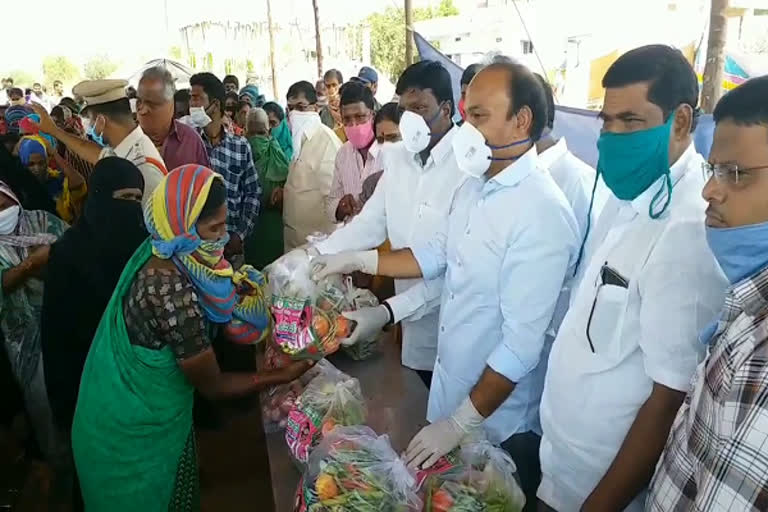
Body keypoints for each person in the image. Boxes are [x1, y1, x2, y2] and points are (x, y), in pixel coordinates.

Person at [314, 60, 579, 510]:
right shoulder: (475, 187)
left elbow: (519, 348)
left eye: (480, 116)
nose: (467, 128)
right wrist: (362, 270)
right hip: (451, 396)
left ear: (522, 120)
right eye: (467, 113)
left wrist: (458, 424)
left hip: (496, 425)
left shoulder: (541, 212)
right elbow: (437, 262)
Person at [536, 45, 727, 512]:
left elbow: (670, 396)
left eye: (631, 121)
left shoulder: (686, 229)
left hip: (605, 484)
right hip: (563, 458)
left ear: (680, 122)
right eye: (606, 121)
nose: (611, 136)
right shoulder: (628, 197)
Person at [70, 165, 312, 510]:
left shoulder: (166, 249)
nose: (223, 237)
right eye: (214, 228)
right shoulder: (168, 287)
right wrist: (280, 376)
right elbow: (213, 385)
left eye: (224, 225)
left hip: (147, 412)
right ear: (181, 226)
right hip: (130, 435)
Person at [647, 76, 768, 511]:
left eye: (734, 173)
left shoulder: (762, 357)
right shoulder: (747, 308)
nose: (709, 190)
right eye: (713, 169)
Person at [307, 60, 465, 387]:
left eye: (421, 108)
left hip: (454, 324)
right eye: (405, 110)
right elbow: (370, 223)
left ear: (446, 109)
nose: (411, 121)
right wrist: (314, 255)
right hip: (411, 324)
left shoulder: (466, 169)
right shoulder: (400, 159)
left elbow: (450, 264)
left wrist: (386, 310)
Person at [42, 157, 146, 434]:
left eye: (137, 199)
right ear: (99, 196)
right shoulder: (67, 254)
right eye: (124, 197)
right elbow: (55, 334)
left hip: (141, 387)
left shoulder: (144, 248)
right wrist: (64, 411)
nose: (131, 208)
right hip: (86, 384)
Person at [0, 181, 68, 489]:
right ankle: (56, 462)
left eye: (2, 203)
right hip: (23, 335)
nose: (2, 211)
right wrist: (31, 263)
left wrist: (52, 261)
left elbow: (72, 247)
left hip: (62, 321)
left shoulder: (41, 220)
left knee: (73, 387)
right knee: (40, 398)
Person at [28, 79, 166, 205]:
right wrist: (55, 131)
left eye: (90, 119)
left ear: (101, 121)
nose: (88, 125)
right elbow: (95, 153)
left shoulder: (142, 167)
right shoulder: (126, 146)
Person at [189, 72, 260, 263]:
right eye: (191, 99)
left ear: (215, 104)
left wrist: (240, 235)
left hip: (231, 248)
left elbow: (252, 193)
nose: (192, 105)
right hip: (196, 249)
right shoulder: (189, 144)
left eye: (197, 99)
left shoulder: (240, 145)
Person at [282, 80, 342, 250]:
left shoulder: (327, 142)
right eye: (290, 109)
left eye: (301, 107)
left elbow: (334, 201)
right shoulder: (297, 142)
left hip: (317, 246)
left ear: (315, 108)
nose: (294, 114)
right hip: (294, 243)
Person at [326, 81, 380, 223]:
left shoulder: (388, 152)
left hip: (384, 242)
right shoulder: (343, 153)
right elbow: (331, 202)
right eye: (347, 119)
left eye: (360, 116)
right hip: (352, 239)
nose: (354, 124)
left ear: (372, 115)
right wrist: (340, 207)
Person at [137, 66, 210, 171]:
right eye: (139, 102)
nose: (142, 110)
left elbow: (204, 183)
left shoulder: (191, 140)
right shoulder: (128, 141)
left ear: (170, 104)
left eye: (152, 104)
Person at [245, 108, 289, 269]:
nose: (256, 139)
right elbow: (288, 183)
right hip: (272, 224)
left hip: (250, 225)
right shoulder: (276, 151)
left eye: (260, 133)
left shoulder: (241, 151)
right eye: (254, 134)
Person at [17, 136, 86, 223]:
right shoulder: (21, 188)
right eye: (31, 164)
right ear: (24, 165)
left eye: (41, 163)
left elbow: (79, 183)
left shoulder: (58, 180)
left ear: (47, 161)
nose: (37, 168)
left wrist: (54, 153)